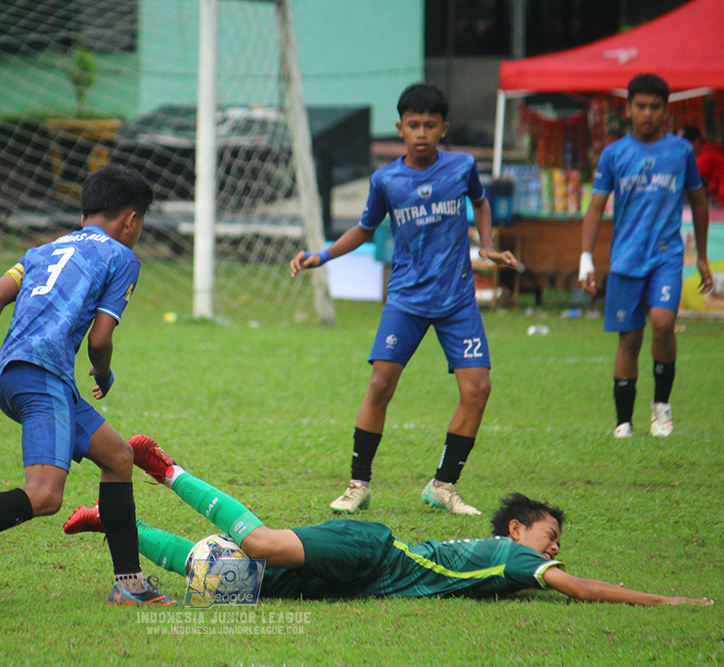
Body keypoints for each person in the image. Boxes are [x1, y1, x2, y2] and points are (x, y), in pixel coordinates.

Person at [0, 164, 174, 609]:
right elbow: (100, 340)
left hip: (11, 374)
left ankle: (130, 584)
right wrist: (104, 374)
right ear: (131, 220)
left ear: (85, 214)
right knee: (45, 494)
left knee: (118, 457)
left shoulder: (42, 250)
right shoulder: (122, 256)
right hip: (42, 375)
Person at [65, 435, 713, 606]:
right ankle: (168, 470)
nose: (554, 549)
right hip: (369, 552)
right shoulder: (517, 557)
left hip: (361, 577)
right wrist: (666, 598)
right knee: (257, 543)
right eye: (551, 536)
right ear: (518, 530)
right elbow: (582, 588)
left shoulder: (506, 560)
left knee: (233, 577)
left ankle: (113, 525)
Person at [289, 83, 520, 515]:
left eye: (430, 125)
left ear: (444, 128)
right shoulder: (387, 180)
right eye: (413, 125)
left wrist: (487, 245)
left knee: (478, 388)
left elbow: (482, 203)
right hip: (407, 299)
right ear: (400, 128)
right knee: (380, 385)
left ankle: (444, 485)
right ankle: (358, 485)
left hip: (457, 300)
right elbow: (364, 229)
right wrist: (322, 255)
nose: (421, 133)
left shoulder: (463, 166)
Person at [580, 75, 713, 439]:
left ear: (665, 110)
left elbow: (699, 202)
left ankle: (661, 407)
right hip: (626, 259)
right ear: (628, 109)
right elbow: (595, 207)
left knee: (663, 322)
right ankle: (624, 422)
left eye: (655, 107)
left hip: (666, 256)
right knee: (629, 339)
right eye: (641, 106)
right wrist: (586, 257)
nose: (648, 113)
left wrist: (702, 256)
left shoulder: (681, 152)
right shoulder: (614, 154)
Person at [681, 126, 724, 207]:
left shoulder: (707, 154)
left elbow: (690, 177)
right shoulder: (707, 149)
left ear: (697, 142)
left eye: (685, 144)